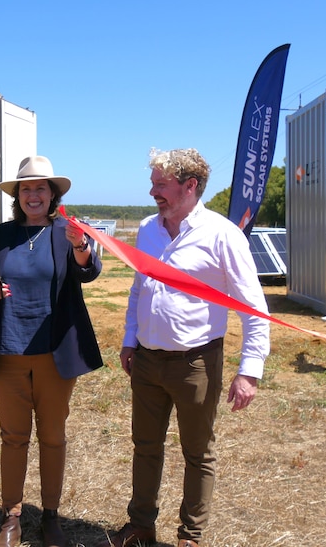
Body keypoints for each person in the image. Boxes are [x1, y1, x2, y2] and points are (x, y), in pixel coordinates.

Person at [96, 148, 271, 547]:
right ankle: (141, 526)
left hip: (196, 364)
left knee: (197, 452)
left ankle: (190, 536)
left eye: (161, 184)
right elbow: (140, 286)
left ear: (189, 186)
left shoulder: (223, 235)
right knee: (145, 446)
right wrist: (129, 339)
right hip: (146, 361)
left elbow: (254, 309)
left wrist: (249, 371)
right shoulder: (147, 229)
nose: (152, 190)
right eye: (154, 182)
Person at [0, 155, 103, 547]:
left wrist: (81, 246)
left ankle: (50, 516)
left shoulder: (68, 232)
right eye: (26, 189)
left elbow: (88, 270)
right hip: (9, 352)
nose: (33, 195)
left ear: (53, 194)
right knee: (13, 437)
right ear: (18, 195)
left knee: (53, 437)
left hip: (55, 352)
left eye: (40, 188)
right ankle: (11, 516)